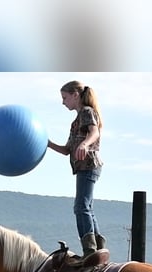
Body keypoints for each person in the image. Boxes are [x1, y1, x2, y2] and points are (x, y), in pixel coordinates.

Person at [47, 80, 108, 258]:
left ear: (75, 95)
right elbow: (67, 150)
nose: (63, 102)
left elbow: (94, 132)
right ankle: (98, 246)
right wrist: (48, 144)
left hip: (89, 164)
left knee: (81, 207)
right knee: (86, 206)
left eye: (65, 98)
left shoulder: (87, 112)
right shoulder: (76, 121)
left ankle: (90, 250)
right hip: (82, 167)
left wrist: (84, 145)